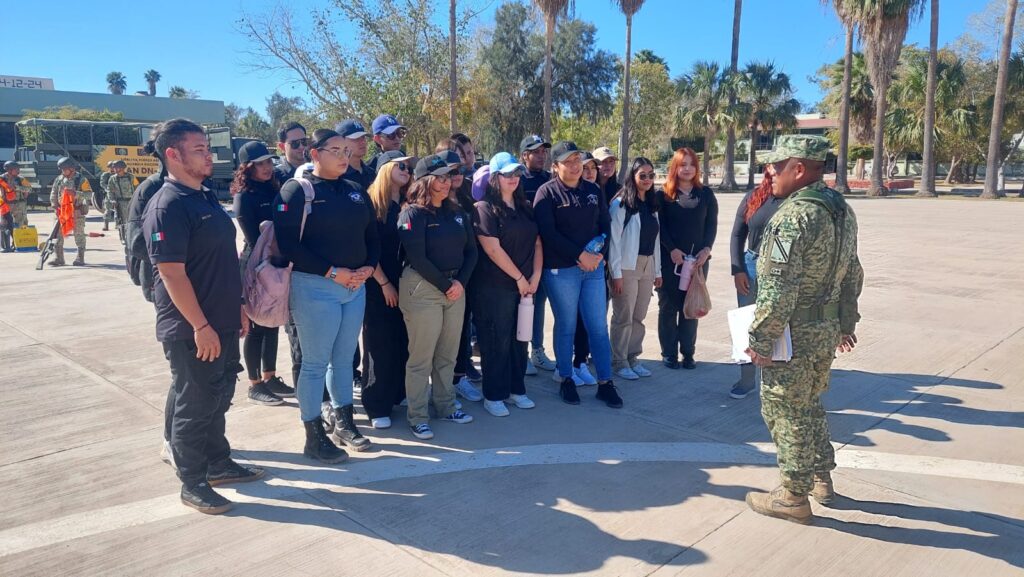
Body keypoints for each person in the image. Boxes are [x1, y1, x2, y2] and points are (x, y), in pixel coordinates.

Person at [143, 118, 263, 515]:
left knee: (219, 394)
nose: (208, 154)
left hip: (223, 318)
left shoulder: (205, 196)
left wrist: (239, 308)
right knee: (194, 403)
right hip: (192, 327)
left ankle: (218, 462)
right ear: (172, 155)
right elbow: (171, 273)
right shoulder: (168, 205)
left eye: (207, 148)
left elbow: (221, 261)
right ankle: (192, 481)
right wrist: (201, 326)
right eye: (198, 149)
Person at [743, 134, 863, 525]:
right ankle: (820, 476)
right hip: (825, 327)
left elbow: (778, 291)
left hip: (793, 332)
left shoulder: (793, 217)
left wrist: (761, 339)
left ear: (799, 169)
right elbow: (852, 274)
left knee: (784, 408)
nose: (769, 172)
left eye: (776, 166)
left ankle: (793, 495)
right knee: (809, 401)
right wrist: (845, 322)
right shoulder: (841, 210)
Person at [274, 128, 379, 458]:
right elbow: (288, 243)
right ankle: (314, 434)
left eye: (346, 151)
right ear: (314, 154)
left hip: (355, 288)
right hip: (316, 289)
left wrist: (369, 267)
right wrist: (333, 272)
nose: (343, 157)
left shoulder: (355, 191)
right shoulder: (296, 191)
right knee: (315, 363)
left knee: (344, 360)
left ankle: (345, 422)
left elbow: (372, 235)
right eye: (335, 150)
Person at [534, 141, 621, 408]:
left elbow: (604, 225)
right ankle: (566, 378)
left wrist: (598, 254)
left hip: (593, 269)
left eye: (577, 161)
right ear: (555, 166)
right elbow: (548, 234)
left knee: (597, 327)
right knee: (567, 325)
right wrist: (579, 255)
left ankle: (605, 383)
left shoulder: (593, 190)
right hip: (562, 271)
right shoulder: (546, 194)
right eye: (568, 161)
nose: (574, 166)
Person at [397, 154, 478, 440]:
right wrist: (447, 286)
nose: (446, 183)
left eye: (448, 177)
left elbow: (472, 251)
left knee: (447, 354)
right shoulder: (412, 214)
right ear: (425, 180)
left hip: (455, 287)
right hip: (423, 288)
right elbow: (417, 257)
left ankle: (445, 406)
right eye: (440, 178)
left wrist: (460, 283)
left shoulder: (455, 212)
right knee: (421, 357)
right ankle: (418, 416)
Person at [472, 152, 541, 417]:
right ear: (495, 178)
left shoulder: (524, 206)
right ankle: (494, 394)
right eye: (507, 174)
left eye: (516, 174)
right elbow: (492, 249)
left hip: (524, 287)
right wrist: (520, 278)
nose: (513, 179)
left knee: (519, 339)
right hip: (494, 287)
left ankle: (516, 390)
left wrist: (534, 276)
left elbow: (537, 242)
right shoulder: (484, 209)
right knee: (495, 340)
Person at [231, 141, 295, 406]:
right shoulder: (244, 197)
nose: (267, 167)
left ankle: (270, 377)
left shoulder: (275, 189)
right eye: (260, 163)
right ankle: (255, 384)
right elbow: (254, 238)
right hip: (256, 264)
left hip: (277, 261)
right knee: (257, 325)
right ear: (248, 167)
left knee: (272, 324)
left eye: (269, 162)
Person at [361, 149, 413, 429]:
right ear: (384, 169)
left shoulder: (406, 203)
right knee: (379, 344)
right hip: (378, 284)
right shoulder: (371, 204)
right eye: (400, 165)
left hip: (405, 284)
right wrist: (384, 284)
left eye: (408, 166)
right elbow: (368, 250)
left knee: (401, 341)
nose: (406, 169)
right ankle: (376, 403)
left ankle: (397, 393)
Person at [657, 147, 718, 370]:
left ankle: (688, 353)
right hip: (671, 261)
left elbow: (711, 225)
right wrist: (672, 249)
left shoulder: (706, 195)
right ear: (675, 167)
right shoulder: (662, 195)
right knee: (668, 307)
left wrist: (706, 250)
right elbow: (660, 226)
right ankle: (669, 353)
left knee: (691, 306)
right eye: (683, 164)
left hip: (698, 262)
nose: (687, 169)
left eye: (692, 164)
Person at [728, 167, 783, 399]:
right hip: (751, 266)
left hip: (781, 268)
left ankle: (778, 380)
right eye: (772, 166)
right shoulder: (754, 196)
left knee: (779, 324)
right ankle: (747, 378)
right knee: (747, 325)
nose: (775, 170)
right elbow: (737, 235)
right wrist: (738, 269)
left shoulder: (795, 200)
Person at [608, 157, 662, 380]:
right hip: (627, 267)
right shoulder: (621, 203)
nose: (647, 179)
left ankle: (632, 357)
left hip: (647, 265)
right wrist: (616, 274)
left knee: (639, 316)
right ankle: (619, 361)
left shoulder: (651, 204)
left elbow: (656, 240)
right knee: (624, 316)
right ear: (632, 176)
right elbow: (613, 241)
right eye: (643, 175)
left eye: (651, 175)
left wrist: (657, 271)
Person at [440, 147, 485, 394]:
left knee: (462, 329)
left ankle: (459, 376)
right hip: (442, 278)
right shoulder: (433, 202)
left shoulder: (468, 197)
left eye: (459, 169)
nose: (456, 174)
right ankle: (446, 383)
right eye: (450, 170)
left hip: (468, 274)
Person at [273, 122, 310, 396]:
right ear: (281, 146)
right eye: (294, 143)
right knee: (299, 339)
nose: (301, 148)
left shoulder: (316, 173)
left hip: (321, 270)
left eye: (304, 142)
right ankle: (308, 404)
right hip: (291, 269)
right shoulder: (276, 178)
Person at [518, 134, 556, 375]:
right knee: (522, 304)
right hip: (521, 252)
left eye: (543, 151)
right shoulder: (517, 179)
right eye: (535, 151)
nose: (541, 155)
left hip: (545, 252)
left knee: (539, 303)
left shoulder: (549, 180)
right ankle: (521, 353)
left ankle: (537, 350)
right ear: (524, 155)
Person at [49, 157, 92, 267]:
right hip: (61, 211)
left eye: (64, 169)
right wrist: (55, 206)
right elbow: (54, 193)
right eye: (62, 169)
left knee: (79, 235)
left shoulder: (81, 179)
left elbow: (89, 194)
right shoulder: (59, 179)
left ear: (71, 169)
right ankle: (59, 258)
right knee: (57, 235)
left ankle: (80, 257)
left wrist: (75, 193)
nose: (63, 171)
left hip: (76, 211)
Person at [106, 160, 138, 233]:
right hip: (120, 203)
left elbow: (137, 188)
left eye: (117, 168)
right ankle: (124, 237)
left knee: (133, 220)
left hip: (131, 202)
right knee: (121, 222)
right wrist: (112, 200)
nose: (116, 170)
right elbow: (109, 190)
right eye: (114, 168)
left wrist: (137, 200)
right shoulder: (112, 178)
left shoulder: (131, 177)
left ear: (123, 168)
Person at [1, 161, 32, 228]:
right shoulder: (1, 179)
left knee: (21, 225)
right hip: (6, 205)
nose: (18, 171)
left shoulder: (20, 179)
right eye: (16, 169)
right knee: (4, 225)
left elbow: (29, 189)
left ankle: (19, 238)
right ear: (9, 170)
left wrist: (17, 188)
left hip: (19, 206)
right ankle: (5, 238)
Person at [100, 161, 115, 230]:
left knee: (119, 210)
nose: (112, 168)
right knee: (107, 210)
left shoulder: (118, 175)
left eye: (113, 167)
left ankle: (118, 225)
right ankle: (106, 226)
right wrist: (109, 189)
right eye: (111, 167)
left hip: (118, 194)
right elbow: (102, 183)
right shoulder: (106, 175)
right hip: (109, 194)